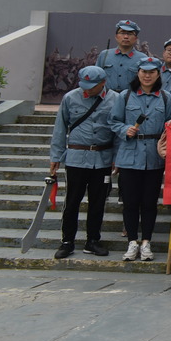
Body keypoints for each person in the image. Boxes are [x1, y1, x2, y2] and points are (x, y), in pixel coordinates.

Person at [109, 56, 171, 262]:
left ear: (158, 74)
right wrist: (124, 129)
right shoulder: (125, 97)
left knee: (149, 202)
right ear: (138, 73)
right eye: (144, 72)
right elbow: (113, 121)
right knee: (130, 202)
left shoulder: (166, 98)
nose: (147, 76)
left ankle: (146, 242)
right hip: (129, 154)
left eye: (152, 72)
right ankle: (132, 241)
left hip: (154, 157)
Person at [49, 66, 119, 259]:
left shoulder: (115, 99)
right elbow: (60, 128)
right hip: (76, 158)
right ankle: (67, 241)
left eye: (91, 86)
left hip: (103, 158)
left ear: (103, 83)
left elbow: (118, 131)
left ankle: (93, 241)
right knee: (72, 202)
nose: (86, 90)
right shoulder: (71, 98)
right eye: (84, 85)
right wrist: (56, 156)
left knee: (98, 203)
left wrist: (117, 157)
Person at [96, 19, 147, 92]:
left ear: (136, 38)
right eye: (122, 33)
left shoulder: (142, 58)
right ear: (116, 36)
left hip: (130, 98)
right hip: (107, 99)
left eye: (130, 34)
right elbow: (95, 77)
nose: (126, 37)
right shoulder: (104, 55)